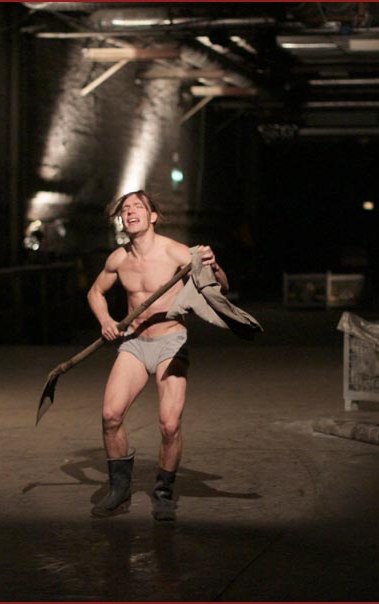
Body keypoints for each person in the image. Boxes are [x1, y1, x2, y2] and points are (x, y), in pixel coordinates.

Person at [87, 190, 228, 521]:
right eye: (125, 209)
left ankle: (163, 493)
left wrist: (213, 265)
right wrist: (106, 320)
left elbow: (222, 287)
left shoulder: (175, 252)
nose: (131, 211)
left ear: (152, 217)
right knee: (110, 415)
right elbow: (95, 292)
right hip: (135, 343)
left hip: (170, 342)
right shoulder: (118, 259)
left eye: (138, 206)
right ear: (122, 220)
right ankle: (119, 491)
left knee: (169, 424)